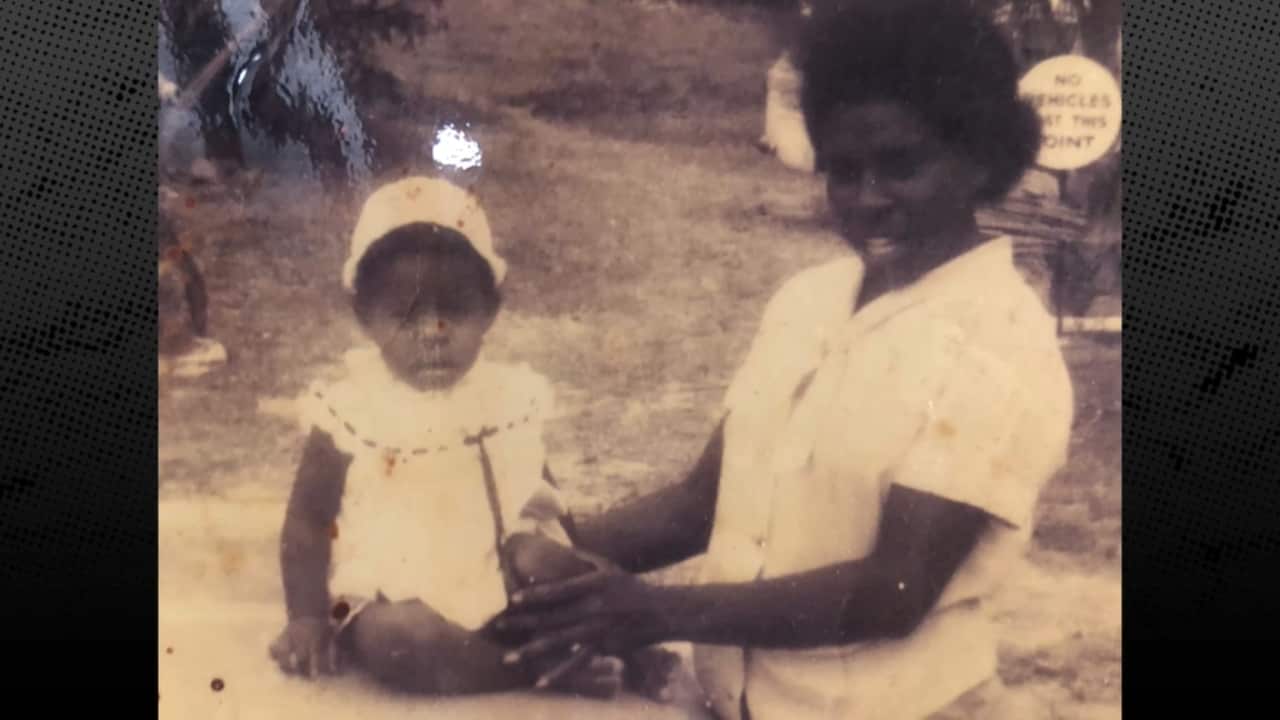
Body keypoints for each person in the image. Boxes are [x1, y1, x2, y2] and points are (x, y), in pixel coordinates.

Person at [495, 2, 1075, 718]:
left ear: (979, 159)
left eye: (902, 166)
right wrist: (545, 545)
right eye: (843, 170)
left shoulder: (998, 340)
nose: (868, 200)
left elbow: (893, 592)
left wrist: (656, 613)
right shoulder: (809, 301)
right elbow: (701, 505)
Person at [266, 176, 677, 699]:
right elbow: (306, 521)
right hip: (386, 593)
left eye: (454, 312)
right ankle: (531, 672)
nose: (433, 334)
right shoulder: (351, 409)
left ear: (491, 311)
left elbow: (544, 497)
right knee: (395, 638)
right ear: (365, 317)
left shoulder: (508, 396)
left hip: (499, 578)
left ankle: (627, 646)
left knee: (554, 561)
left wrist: (563, 566)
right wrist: (305, 616)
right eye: (407, 316)